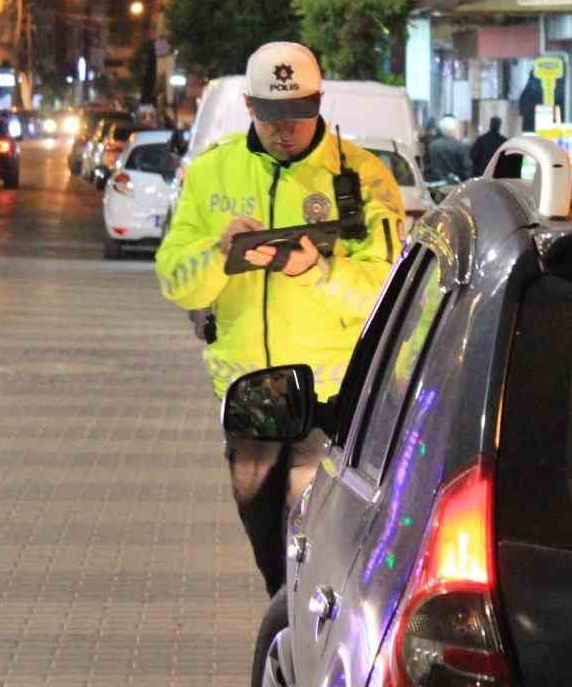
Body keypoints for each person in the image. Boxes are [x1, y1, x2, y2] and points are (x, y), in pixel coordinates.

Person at [155, 41, 405, 595]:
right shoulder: (211, 172)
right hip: (251, 393)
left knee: (312, 543)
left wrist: (317, 271)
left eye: (298, 115)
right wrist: (220, 254)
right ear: (248, 105)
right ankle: (289, 619)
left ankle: (300, 640)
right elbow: (174, 279)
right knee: (267, 540)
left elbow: (387, 294)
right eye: (271, 116)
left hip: (332, 392)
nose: (284, 130)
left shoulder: (359, 179)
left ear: (319, 101)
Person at [427, 115, 471, 182]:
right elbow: (467, 169)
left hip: (436, 185)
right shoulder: (461, 146)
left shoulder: (432, 146)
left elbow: (427, 169)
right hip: (456, 185)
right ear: (455, 129)